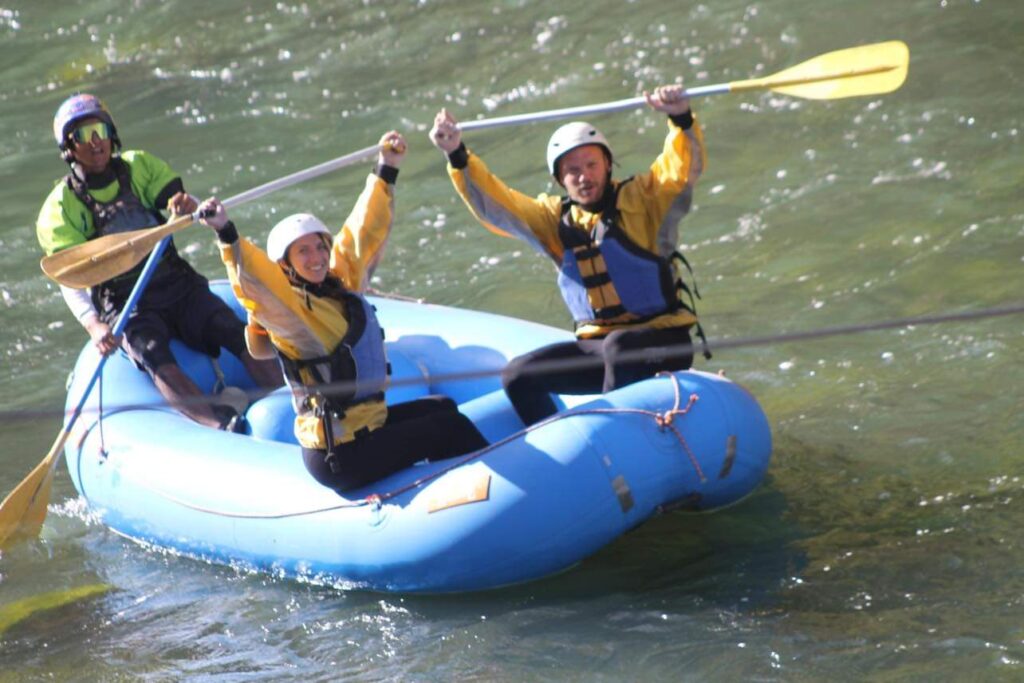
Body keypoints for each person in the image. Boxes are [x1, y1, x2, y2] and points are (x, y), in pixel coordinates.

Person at [197, 131, 488, 492]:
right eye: (302, 252)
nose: (316, 257)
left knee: (442, 406)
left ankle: (455, 488)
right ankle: (492, 494)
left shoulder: (338, 284)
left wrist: (386, 169)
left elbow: (360, 233)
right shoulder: (292, 314)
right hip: (341, 454)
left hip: (368, 426)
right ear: (285, 265)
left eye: (319, 247)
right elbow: (258, 283)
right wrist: (227, 234)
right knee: (449, 428)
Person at [429, 84, 709, 426]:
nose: (584, 176)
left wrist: (680, 118)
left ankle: (617, 435)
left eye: (591, 164)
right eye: (572, 170)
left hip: (665, 341)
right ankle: (561, 445)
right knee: (519, 375)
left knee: (619, 348)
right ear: (560, 179)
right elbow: (499, 205)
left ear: (607, 165)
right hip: (604, 347)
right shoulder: (553, 220)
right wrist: (457, 154)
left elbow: (680, 170)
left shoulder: (644, 198)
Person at [36, 93, 282, 431]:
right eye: (83, 134)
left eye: (100, 130)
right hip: (126, 303)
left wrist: (185, 205)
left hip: (177, 284)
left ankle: (288, 397)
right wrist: (94, 326)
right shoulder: (61, 207)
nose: (96, 142)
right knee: (154, 355)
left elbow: (180, 204)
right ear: (69, 147)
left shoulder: (139, 166)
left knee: (231, 330)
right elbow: (70, 278)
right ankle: (220, 427)